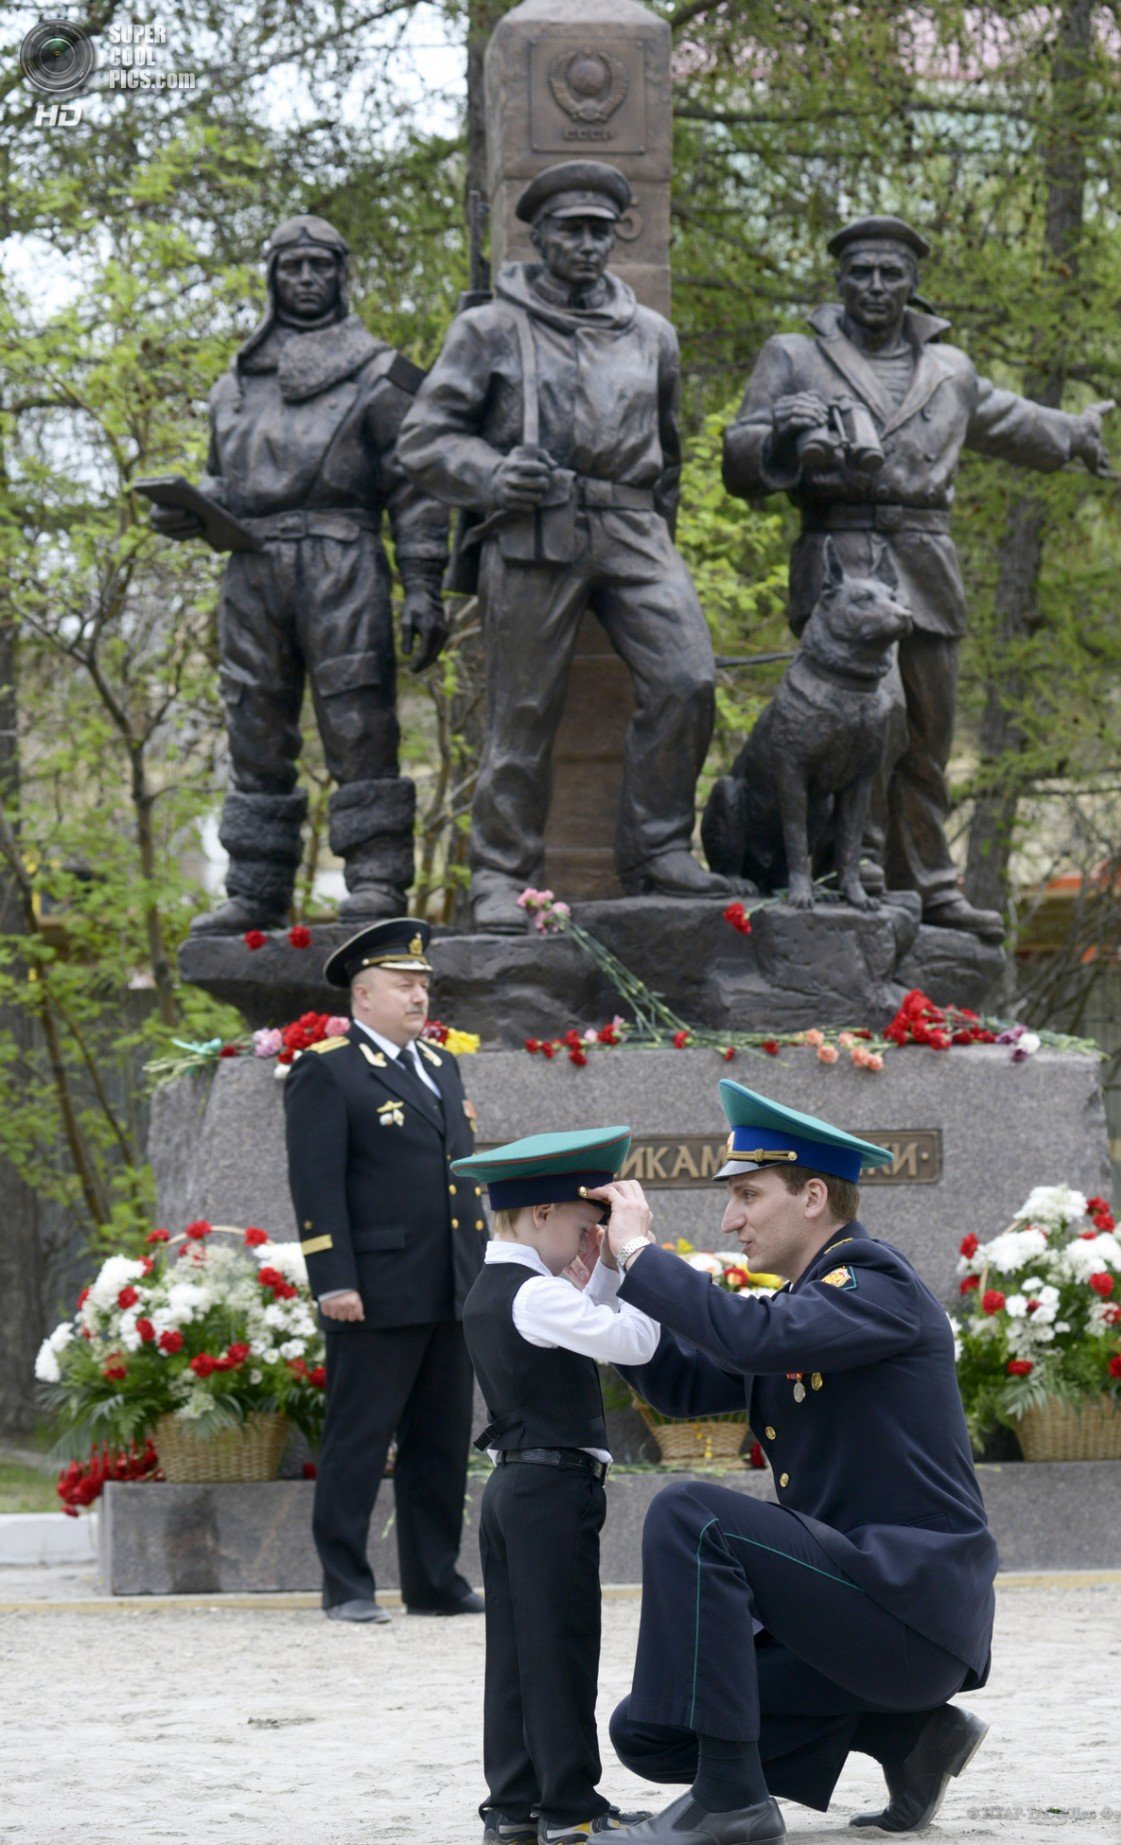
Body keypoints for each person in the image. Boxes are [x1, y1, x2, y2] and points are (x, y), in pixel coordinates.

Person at [584, 1080, 996, 1842]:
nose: (729, 1217)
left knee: (691, 1512)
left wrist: (643, 1250)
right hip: (853, 1612)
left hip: (908, 1612)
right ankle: (909, 1737)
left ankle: (733, 1801)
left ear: (813, 1196)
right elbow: (683, 1382)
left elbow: (752, 1340)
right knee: (651, 1728)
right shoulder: (807, 1305)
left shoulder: (876, 1284)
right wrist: (605, 1284)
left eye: (747, 1194)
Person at [722, 214, 1114, 942]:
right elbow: (739, 458)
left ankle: (930, 884)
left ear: (912, 283)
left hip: (925, 561)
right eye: (861, 272)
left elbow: (1006, 418)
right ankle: (856, 869)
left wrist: (1075, 435)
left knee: (929, 731)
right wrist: (781, 431)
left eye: (891, 273)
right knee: (866, 717)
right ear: (838, 281)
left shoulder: (949, 369)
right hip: (842, 559)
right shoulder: (795, 355)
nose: (875, 286)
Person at [397, 160, 748, 932]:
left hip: (632, 527)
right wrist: (491, 473)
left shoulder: (652, 335)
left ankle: (656, 849)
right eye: (570, 230)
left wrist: (660, 545)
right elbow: (423, 440)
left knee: (688, 678)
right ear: (541, 235)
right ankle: (501, 875)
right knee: (521, 712)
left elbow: (670, 451)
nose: (586, 245)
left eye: (598, 231)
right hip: (533, 530)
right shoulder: (488, 327)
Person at [152, 215, 450, 933]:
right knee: (253, 721)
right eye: (293, 267)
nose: (308, 279)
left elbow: (415, 487)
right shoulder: (236, 383)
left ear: (341, 275)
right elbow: (228, 479)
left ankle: (377, 878)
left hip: (341, 557)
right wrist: (193, 508)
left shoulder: (379, 372)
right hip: (252, 566)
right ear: (273, 279)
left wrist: (423, 584)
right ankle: (256, 886)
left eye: (321, 266)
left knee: (358, 718)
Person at [452, 1127, 660, 1845]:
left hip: (517, 1487)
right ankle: (572, 1806)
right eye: (583, 1223)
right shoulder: (536, 1296)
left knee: (517, 1654)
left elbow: (586, 1324)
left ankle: (514, 1804)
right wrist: (637, 1257)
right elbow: (633, 1340)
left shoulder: (506, 1287)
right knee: (562, 1648)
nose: (589, 1237)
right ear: (541, 1212)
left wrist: (600, 1273)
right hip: (554, 1489)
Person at [283, 918, 486, 1623]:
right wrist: (333, 1278)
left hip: (448, 1287)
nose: (419, 996)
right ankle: (346, 1582)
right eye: (404, 985)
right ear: (362, 995)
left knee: (440, 1444)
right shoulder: (327, 1068)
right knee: (359, 1440)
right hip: (373, 1290)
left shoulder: (441, 1066)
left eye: (424, 985)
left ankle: (434, 1581)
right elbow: (316, 1185)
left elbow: (460, 1182)